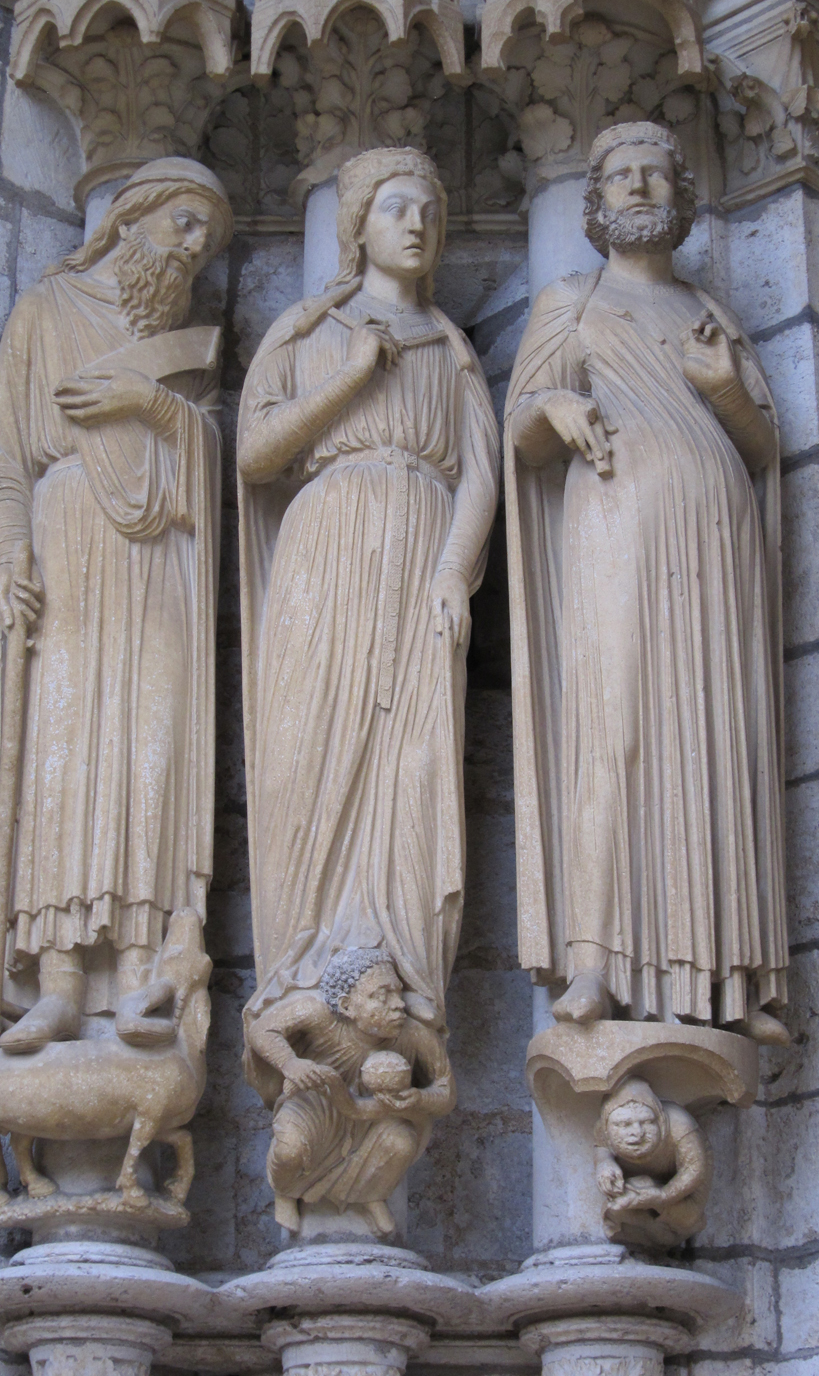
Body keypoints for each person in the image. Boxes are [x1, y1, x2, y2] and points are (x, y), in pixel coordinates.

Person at [506, 120, 788, 1044]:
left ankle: (731, 977)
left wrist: (728, 390)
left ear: (681, 198)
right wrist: (551, 402)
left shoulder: (714, 317)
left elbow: (760, 448)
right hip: (615, 527)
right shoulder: (570, 303)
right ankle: (595, 961)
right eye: (619, 176)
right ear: (591, 203)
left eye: (655, 175)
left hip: (713, 540)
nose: (637, 187)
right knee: (613, 727)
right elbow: (519, 434)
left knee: (712, 734)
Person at [238, 148, 499, 1034]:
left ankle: (395, 959)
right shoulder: (307, 332)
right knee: (308, 744)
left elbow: (479, 476)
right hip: (326, 547)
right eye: (395, 207)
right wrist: (350, 375)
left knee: (411, 754)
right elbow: (255, 455)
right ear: (356, 226)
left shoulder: (452, 347)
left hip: (421, 549)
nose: (417, 223)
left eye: (429, 207)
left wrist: (453, 572)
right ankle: (302, 962)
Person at [0, 158, 233, 1050]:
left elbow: (208, 465)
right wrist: (13, 547)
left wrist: (158, 405)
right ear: (128, 220)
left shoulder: (187, 350)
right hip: (69, 548)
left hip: (163, 559)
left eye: (205, 241)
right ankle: (61, 976)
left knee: (152, 748)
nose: (190, 249)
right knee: (67, 748)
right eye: (180, 225)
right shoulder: (45, 314)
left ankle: (140, 965)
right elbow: (12, 455)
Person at [244, 947, 455, 1235]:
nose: (399, 1005)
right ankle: (285, 1190)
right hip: (315, 1103)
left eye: (397, 993)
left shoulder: (415, 1035)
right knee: (291, 1149)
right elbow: (261, 1030)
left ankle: (368, 1195)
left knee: (401, 1143)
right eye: (382, 996)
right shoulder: (317, 1013)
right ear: (346, 1006)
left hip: (374, 1114)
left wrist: (418, 1098)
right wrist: (290, 1064)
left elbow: (445, 1093)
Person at [594, 1076, 712, 1247]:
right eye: (624, 1124)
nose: (637, 1132)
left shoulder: (681, 1125)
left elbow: (694, 1169)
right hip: (642, 1183)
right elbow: (601, 1147)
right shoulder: (602, 1128)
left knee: (689, 1216)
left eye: (647, 1122)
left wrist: (662, 1196)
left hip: (685, 1188)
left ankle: (665, 1231)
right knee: (617, 1207)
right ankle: (652, 1231)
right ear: (607, 1126)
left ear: (660, 1119)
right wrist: (604, 1164)